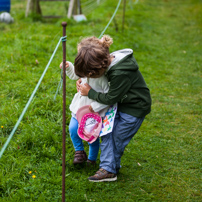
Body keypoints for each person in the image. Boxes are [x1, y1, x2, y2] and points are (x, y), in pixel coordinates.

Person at [77, 36, 152, 182]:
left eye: (91, 75)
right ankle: (109, 167)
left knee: (117, 137)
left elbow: (111, 98)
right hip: (122, 105)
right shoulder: (106, 61)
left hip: (135, 108)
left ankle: (109, 170)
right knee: (107, 133)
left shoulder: (119, 73)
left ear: (100, 68)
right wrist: (84, 80)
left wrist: (90, 92)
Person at [60, 35, 113, 166]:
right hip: (79, 109)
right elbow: (75, 74)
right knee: (73, 129)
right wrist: (68, 67)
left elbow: (108, 97)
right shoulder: (86, 68)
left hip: (94, 114)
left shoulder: (102, 79)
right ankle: (79, 152)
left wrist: (94, 106)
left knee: (92, 138)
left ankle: (91, 159)